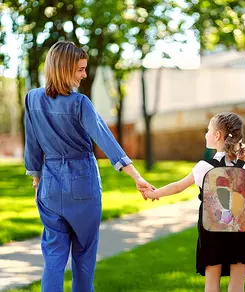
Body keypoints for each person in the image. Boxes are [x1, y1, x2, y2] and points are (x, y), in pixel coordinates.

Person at [24, 41, 153, 292]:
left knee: (53, 256)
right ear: (64, 69)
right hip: (82, 183)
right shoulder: (79, 103)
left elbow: (32, 145)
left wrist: (37, 180)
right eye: (80, 69)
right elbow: (106, 140)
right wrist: (136, 176)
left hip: (49, 185)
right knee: (84, 256)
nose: (84, 75)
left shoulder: (32, 99)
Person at [145, 112, 245, 292]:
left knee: (211, 285)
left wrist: (155, 193)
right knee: (237, 286)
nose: (205, 134)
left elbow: (178, 187)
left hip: (212, 234)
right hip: (241, 234)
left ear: (217, 136)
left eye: (208, 130)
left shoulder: (204, 167)